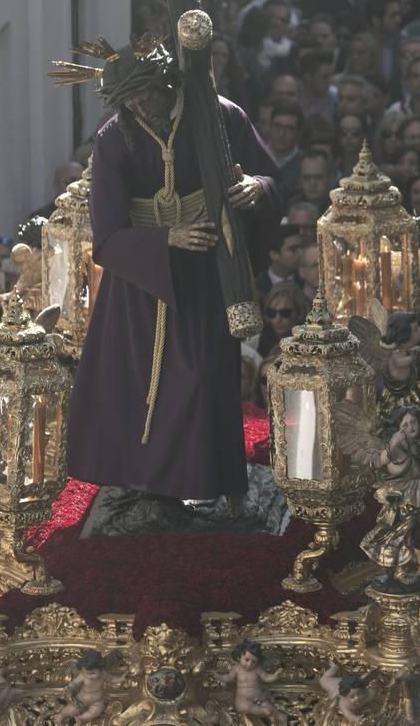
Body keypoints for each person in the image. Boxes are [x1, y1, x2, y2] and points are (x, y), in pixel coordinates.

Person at [60, 34, 284, 502]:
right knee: (135, 383)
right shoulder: (112, 138)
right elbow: (107, 235)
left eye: (146, 95)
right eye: (130, 100)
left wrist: (255, 188)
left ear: (166, 83)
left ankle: (202, 482)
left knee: (201, 377)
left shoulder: (219, 116)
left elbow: (269, 175)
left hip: (206, 274)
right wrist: (165, 238)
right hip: (140, 285)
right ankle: (143, 486)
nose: (141, 107)